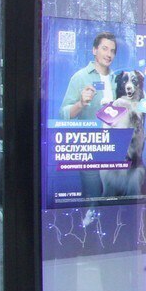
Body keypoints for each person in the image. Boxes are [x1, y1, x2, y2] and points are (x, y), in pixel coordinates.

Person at [60, 31, 118, 199]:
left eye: (112, 51)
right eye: (104, 49)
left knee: (114, 200)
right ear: (94, 50)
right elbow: (64, 113)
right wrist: (80, 104)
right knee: (93, 198)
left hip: (115, 147)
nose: (109, 54)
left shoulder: (117, 79)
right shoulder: (80, 77)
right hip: (92, 148)